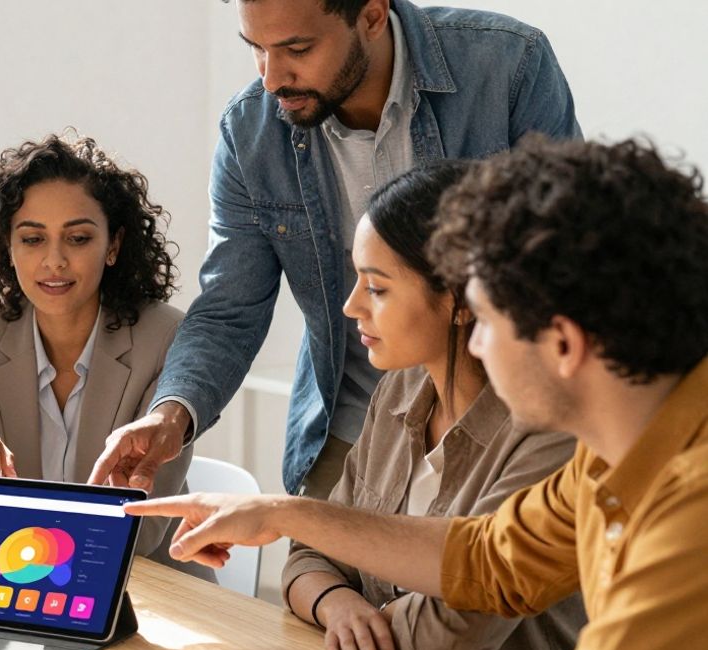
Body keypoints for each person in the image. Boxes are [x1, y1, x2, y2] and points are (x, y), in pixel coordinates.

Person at [126, 137, 708, 650]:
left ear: (562, 344)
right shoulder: (614, 455)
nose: (477, 345)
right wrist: (284, 513)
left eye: (484, 320)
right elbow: (485, 559)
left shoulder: (693, 509)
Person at [91, 0, 580, 501]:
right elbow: (229, 307)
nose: (271, 79)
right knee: (314, 569)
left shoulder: (508, 67)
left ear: (370, 15)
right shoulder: (250, 131)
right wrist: (170, 414)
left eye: (296, 49)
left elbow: (563, 263)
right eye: (256, 49)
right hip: (353, 429)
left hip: (508, 421)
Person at [279, 161, 583, 650]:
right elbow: (309, 555)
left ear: (460, 301)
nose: (352, 306)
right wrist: (339, 605)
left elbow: (448, 636)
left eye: (376, 288)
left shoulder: (547, 431)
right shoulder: (399, 389)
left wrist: (371, 623)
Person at [0, 133, 211, 579]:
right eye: (33, 239)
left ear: (113, 246)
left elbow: (142, 532)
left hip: (149, 594)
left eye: (77, 238)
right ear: (8, 247)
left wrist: (3, 526)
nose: (54, 261)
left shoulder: (165, 336)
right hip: (19, 584)